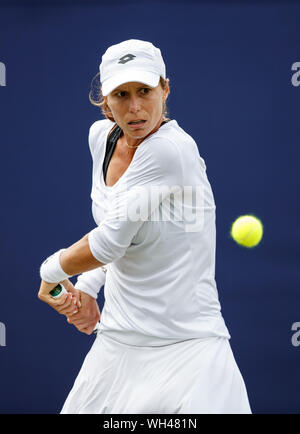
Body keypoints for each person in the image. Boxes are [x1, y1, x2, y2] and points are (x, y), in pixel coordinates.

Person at [38, 39, 252, 414]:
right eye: (121, 94)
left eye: (145, 91)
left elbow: (108, 243)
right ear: (105, 101)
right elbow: (122, 226)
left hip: (189, 350)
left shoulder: (171, 151)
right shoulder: (100, 139)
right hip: (117, 344)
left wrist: (49, 271)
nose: (135, 107)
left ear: (165, 89)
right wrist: (88, 287)